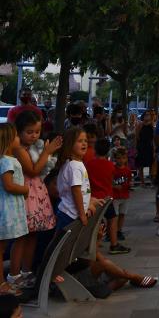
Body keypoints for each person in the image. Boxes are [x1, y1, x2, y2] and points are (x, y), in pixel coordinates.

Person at [7, 112, 59, 291]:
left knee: (32, 236)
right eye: (30, 132)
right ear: (18, 132)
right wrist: (47, 151)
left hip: (36, 193)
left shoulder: (32, 147)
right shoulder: (19, 150)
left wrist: (45, 151)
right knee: (22, 237)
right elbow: (34, 170)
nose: (34, 135)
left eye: (37, 132)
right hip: (27, 195)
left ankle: (26, 271)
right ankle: (14, 275)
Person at [84, 137, 130, 255]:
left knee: (95, 221)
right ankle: (114, 244)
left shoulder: (89, 164)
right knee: (112, 219)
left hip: (93, 199)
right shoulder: (110, 165)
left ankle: (93, 244)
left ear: (95, 150)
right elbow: (112, 180)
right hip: (106, 198)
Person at [0, 124, 29, 297]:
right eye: (17, 136)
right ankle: (2, 283)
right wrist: (25, 190)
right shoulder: (5, 161)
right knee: (1, 247)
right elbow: (9, 185)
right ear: (10, 140)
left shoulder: (10, 159)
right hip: (6, 211)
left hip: (12, 210)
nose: (19, 138)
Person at [54, 127, 99, 231]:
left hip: (71, 213)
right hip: (70, 215)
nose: (84, 144)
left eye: (85, 141)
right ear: (70, 144)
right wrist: (82, 214)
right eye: (80, 141)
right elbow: (76, 191)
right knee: (65, 245)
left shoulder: (75, 164)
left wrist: (88, 204)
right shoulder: (74, 166)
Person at [111, 147, 132, 241]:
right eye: (119, 158)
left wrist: (130, 185)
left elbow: (129, 181)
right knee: (114, 216)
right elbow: (109, 181)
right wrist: (114, 186)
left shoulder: (127, 170)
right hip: (115, 196)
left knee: (122, 214)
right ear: (115, 159)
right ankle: (111, 232)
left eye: (123, 158)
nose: (121, 160)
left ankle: (119, 230)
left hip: (125, 195)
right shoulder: (113, 169)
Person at [135, 109, 156, 187]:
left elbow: (153, 138)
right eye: (146, 114)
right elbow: (136, 137)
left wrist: (154, 149)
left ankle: (150, 180)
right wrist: (136, 148)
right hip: (141, 146)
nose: (147, 116)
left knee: (150, 164)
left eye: (148, 115)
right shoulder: (140, 125)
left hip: (149, 146)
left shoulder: (152, 125)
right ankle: (142, 182)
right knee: (141, 164)